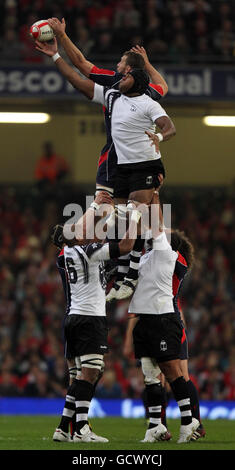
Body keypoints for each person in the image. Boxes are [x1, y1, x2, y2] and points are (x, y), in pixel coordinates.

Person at [35, 38, 176, 301]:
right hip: (117, 161)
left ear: (129, 72)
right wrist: (55, 56)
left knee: (127, 212)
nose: (117, 65)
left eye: (121, 62)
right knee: (125, 213)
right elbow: (79, 80)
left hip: (136, 162)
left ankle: (91, 247)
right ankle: (111, 259)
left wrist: (61, 36)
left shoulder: (125, 87)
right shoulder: (115, 92)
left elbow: (81, 64)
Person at [50, 191, 143, 443]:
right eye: (75, 228)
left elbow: (93, 239)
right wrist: (133, 216)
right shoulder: (87, 251)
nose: (80, 227)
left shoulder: (67, 254)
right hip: (89, 317)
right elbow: (123, 246)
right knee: (90, 373)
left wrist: (102, 210)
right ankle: (81, 429)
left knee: (83, 374)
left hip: (74, 317)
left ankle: (63, 427)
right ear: (72, 238)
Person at [127, 199, 200, 443]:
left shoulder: (167, 255)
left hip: (162, 318)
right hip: (146, 318)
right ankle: (155, 426)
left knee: (171, 372)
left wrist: (152, 197)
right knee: (150, 375)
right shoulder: (148, 257)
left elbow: (156, 224)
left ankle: (189, 422)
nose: (161, 232)